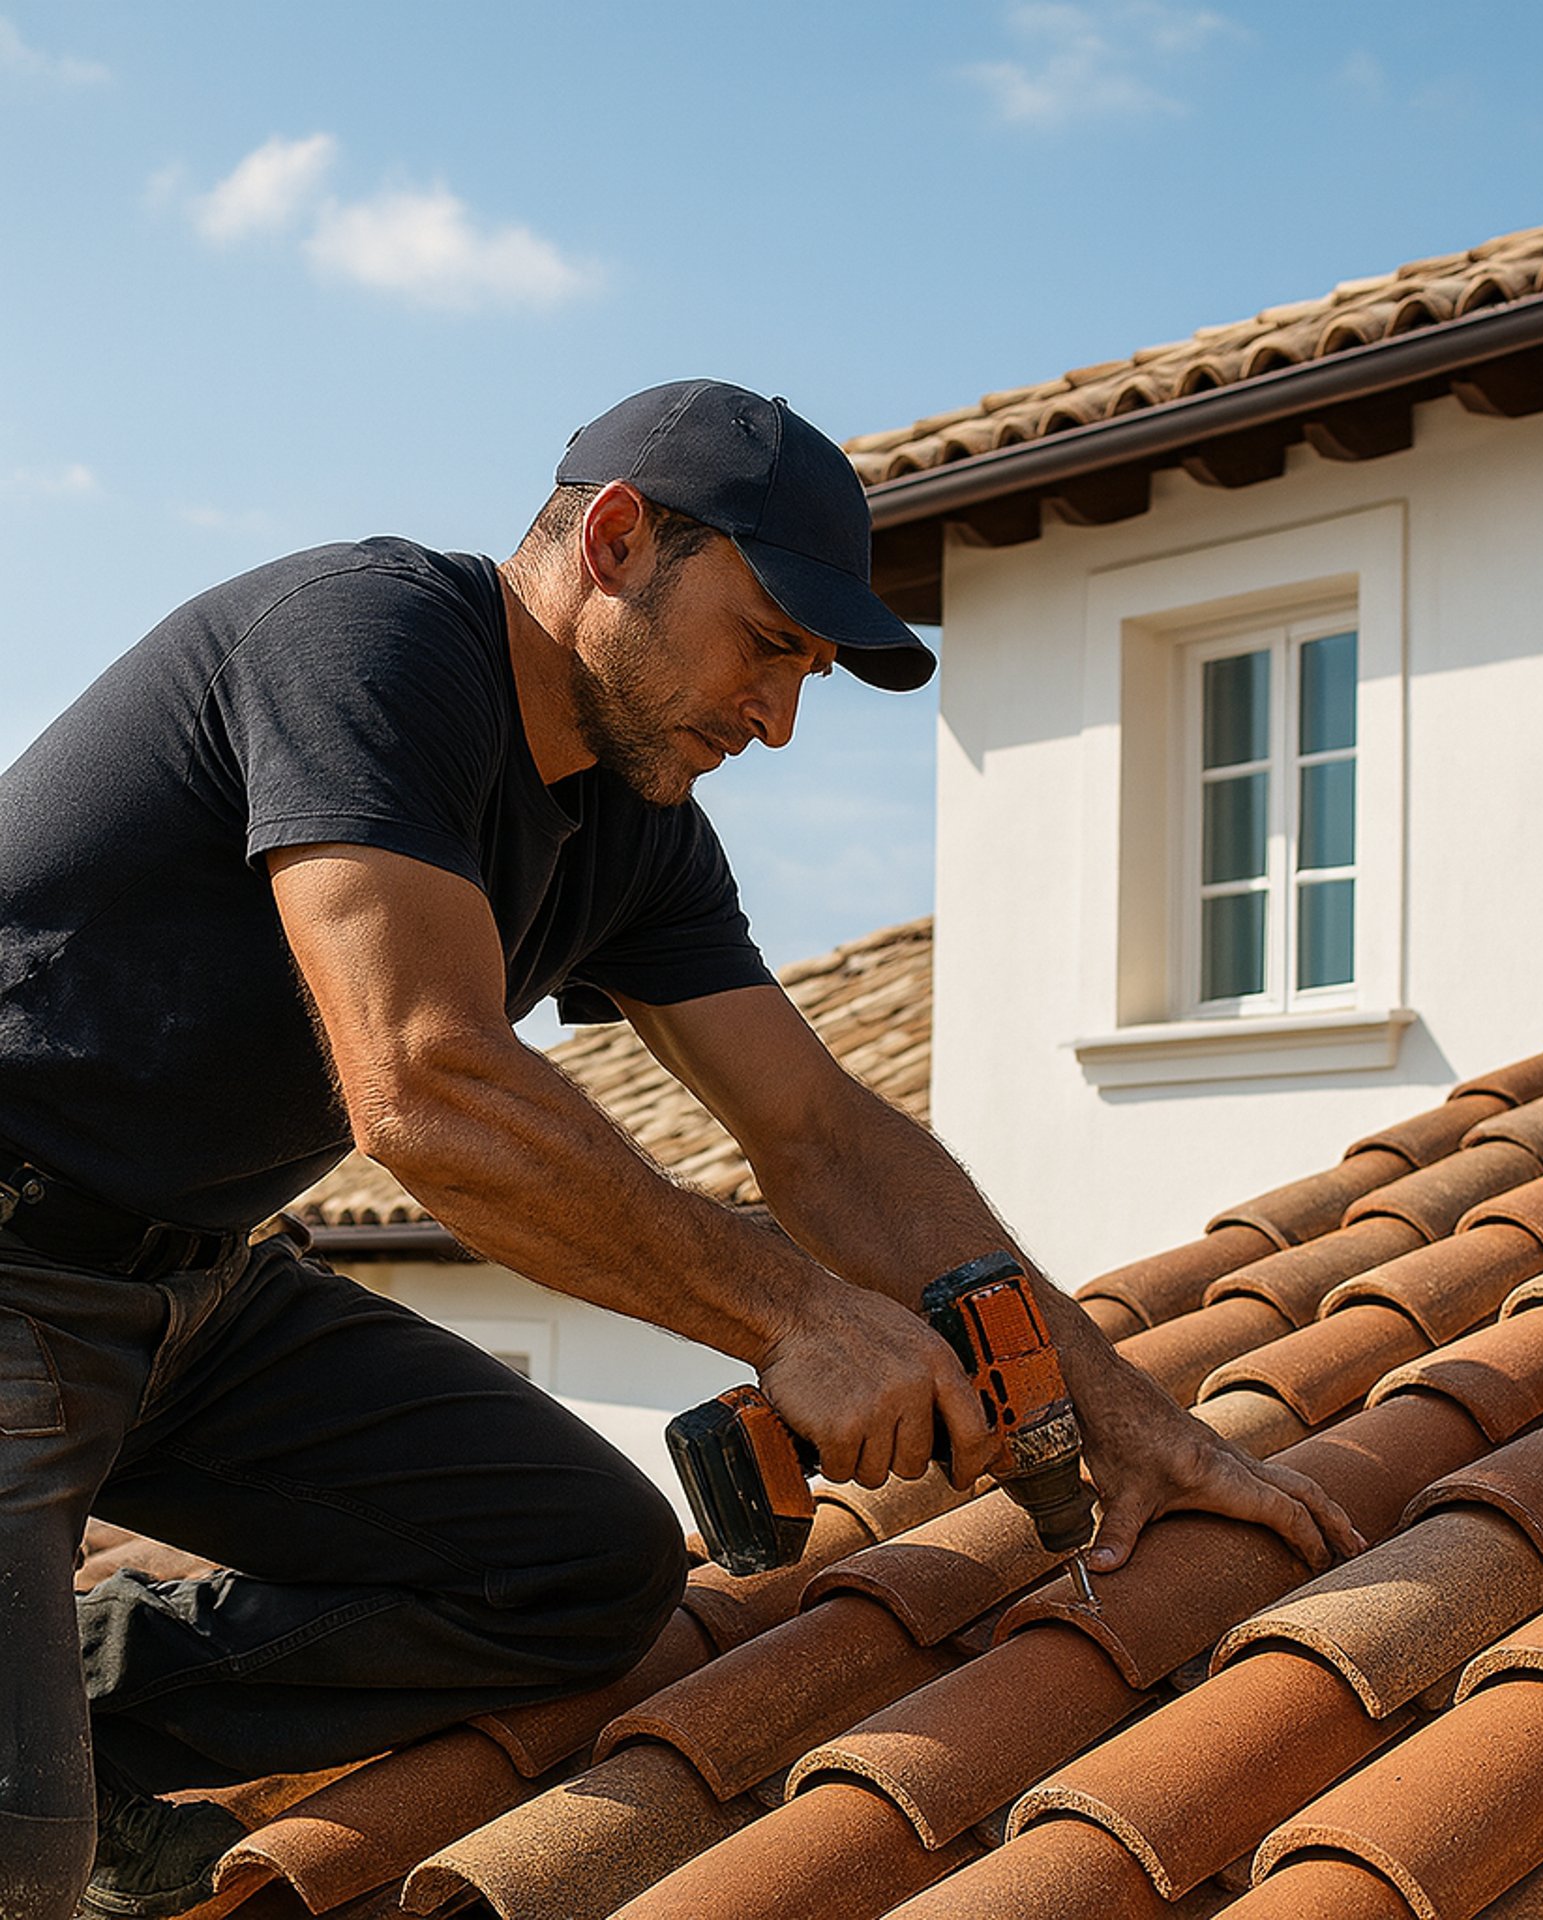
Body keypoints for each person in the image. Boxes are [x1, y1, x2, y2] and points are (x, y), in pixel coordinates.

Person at [0, 380, 1360, 1919]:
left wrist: (1124, 1424)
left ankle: (67, 1715)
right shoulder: (366, 641)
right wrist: (799, 1318)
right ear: (621, 540)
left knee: (577, 1570)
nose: (779, 718)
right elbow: (426, 1089)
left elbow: (824, 1134)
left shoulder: (633, 827)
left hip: (190, 1286)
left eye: (814, 678)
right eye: (771, 645)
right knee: (19, 1859)